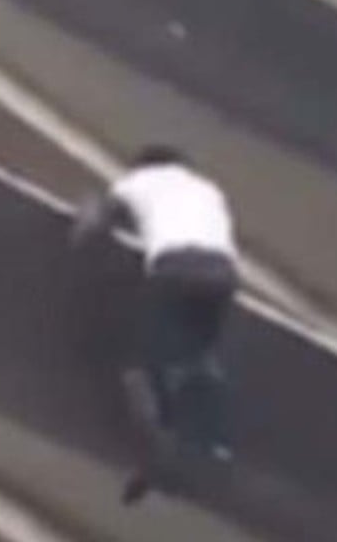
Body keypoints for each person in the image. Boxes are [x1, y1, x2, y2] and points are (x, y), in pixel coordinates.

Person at [72, 144, 239, 505]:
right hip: (222, 275)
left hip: (175, 269)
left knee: (138, 366)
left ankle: (155, 456)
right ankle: (206, 426)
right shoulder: (208, 189)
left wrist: (83, 226)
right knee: (194, 354)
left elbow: (98, 220)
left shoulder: (139, 181)